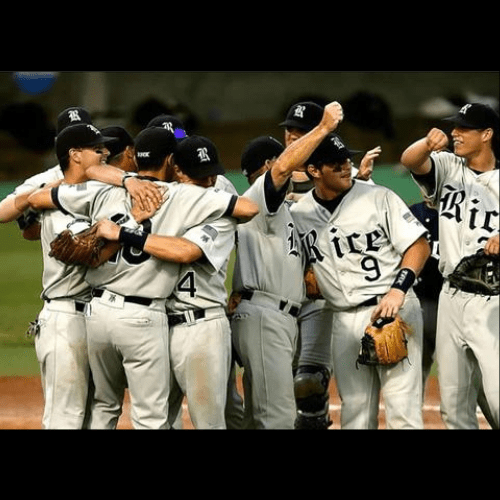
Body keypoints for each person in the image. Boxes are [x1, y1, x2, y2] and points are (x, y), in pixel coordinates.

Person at [30, 126, 258, 429]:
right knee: (151, 417)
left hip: (96, 314)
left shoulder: (103, 191)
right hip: (142, 317)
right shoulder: (181, 194)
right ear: (170, 162)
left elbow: (37, 198)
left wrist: (124, 181)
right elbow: (249, 207)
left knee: (104, 406)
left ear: (135, 156)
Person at [290, 129, 431, 429]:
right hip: (343, 318)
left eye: (345, 160)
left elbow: (418, 245)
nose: (345, 166)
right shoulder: (300, 214)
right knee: (354, 413)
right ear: (313, 171)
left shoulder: (378, 196)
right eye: (335, 163)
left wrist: (398, 291)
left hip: (391, 308)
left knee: (402, 411)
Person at [229, 101, 344, 429]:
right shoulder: (260, 198)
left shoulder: (282, 209)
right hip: (266, 315)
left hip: (275, 315)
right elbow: (280, 171)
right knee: (276, 418)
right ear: (267, 165)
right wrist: (323, 129)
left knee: (261, 415)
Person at [280, 100, 380, 429]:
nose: (291, 138)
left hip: (318, 296)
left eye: (299, 133)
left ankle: (314, 418)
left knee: (307, 380)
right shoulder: (274, 170)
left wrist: (360, 182)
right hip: (278, 293)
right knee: (276, 380)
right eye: (288, 132)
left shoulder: (332, 178)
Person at [400, 102, 499, 429]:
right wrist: (428, 143)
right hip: (451, 297)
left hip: (492, 300)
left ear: (486, 135)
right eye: (454, 126)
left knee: (497, 397)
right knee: (454, 406)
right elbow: (409, 160)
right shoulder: (447, 166)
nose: (454, 133)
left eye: (464, 128)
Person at [14, 123, 119, 429]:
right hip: (66, 319)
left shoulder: (84, 198)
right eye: (97, 149)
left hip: (92, 318)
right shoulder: (59, 203)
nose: (105, 153)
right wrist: (129, 232)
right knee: (66, 419)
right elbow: (82, 252)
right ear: (74, 155)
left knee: (92, 415)